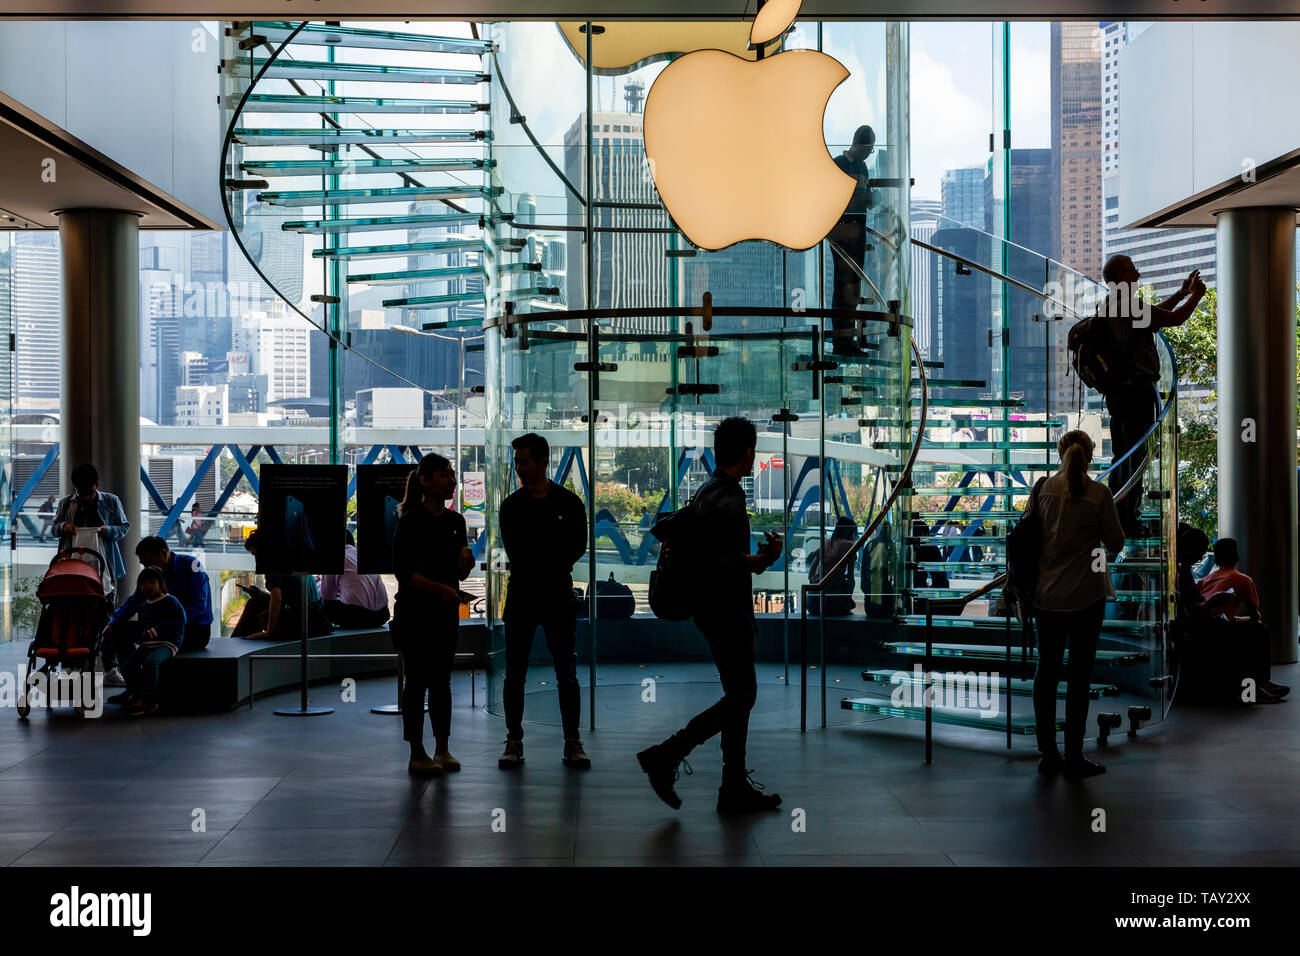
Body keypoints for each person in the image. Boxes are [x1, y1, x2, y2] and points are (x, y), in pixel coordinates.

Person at [637, 417, 784, 814]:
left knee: (738, 695)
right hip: (726, 613)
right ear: (748, 452)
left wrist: (749, 562)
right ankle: (668, 754)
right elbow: (724, 564)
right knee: (743, 695)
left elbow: (711, 558)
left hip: (710, 611)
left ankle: (732, 785)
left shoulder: (706, 491)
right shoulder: (730, 499)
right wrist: (763, 560)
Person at [1026, 430, 1125, 779]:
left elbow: (1027, 538)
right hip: (1087, 596)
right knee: (1079, 677)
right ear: (1090, 454)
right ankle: (1074, 755)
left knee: (1047, 673)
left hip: (1046, 596)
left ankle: (1047, 753)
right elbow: (1115, 542)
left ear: (1060, 453)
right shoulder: (1099, 493)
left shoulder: (1041, 490)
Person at [497, 432, 590, 769]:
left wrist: (545, 557)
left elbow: (574, 546)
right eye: (517, 461)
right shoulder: (516, 506)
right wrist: (553, 557)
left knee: (563, 672)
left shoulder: (566, 504)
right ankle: (517, 739)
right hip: (533, 595)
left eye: (523, 461)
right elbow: (564, 549)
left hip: (545, 595)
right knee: (517, 673)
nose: (518, 467)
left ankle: (570, 740)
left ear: (542, 461)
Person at [1097, 256, 1206, 535]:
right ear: (1122, 274)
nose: (1137, 270)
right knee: (1137, 458)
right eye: (1131, 267)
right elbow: (1174, 319)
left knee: (1123, 456)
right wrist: (1196, 297)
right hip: (1136, 393)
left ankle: (1118, 515)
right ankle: (1127, 521)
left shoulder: (1110, 303)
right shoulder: (1128, 304)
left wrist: (1181, 293)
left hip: (1118, 393)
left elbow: (1155, 316)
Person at [391, 453, 474, 775]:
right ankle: (417, 751)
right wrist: (441, 589)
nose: (451, 480)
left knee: (441, 682)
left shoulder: (456, 522)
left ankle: (442, 748)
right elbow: (404, 573)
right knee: (417, 683)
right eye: (444, 475)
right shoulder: (410, 521)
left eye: (452, 474)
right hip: (415, 614)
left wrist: (464, 565)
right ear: (425, 481)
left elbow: (459, 574)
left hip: (444, 614)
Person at [101, 537, 214, 686]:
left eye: (149, 562)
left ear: (163, 553)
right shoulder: (153, 574)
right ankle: (133, 686)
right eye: (144, 564)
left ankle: (140, 691)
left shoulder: (192, 565)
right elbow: (134, 601)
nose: (147, 567)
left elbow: (199, 605)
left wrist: (172, 624)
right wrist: (112, 623)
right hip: (159, 628)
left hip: (193, 631)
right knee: (119, 630)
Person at [1196, 537, 1288, 701]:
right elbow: (1255, 615)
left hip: (1203, 629)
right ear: (1237, 556)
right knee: (1258, 630)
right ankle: (1259, 685)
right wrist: (1249, 620)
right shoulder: (1243, 580)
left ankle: (1259, 684)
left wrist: (1236, 619)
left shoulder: (1204, 580)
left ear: (1216, 558)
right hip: (1219, 629)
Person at [106, 566, 187, 717]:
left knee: (151, 662)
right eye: (142, 583)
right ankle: (137, 694)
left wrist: (154, 631)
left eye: (152, 582)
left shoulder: (170, 601)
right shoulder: (145, 605)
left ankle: (149, 701)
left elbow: (179, 620)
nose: (147, 586)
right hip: (149, 644)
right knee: (127, 665)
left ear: (161, 584)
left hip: (167, 644)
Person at [829, 124, 876, 357]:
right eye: (869, 148)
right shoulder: (839, 164)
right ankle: (841, 341)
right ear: (860, 144)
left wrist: (867, 196)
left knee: (853, 286)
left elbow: (867, 201)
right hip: (842, 231)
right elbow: (837, 198)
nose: (869, 153)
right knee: (842, 286)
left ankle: (848, 340)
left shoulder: (862, 167)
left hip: (858, 231)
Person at [53, 463, 131, 601]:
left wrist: (109, 530)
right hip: (73, 563)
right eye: (80, 493)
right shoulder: (65, 503)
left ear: (97, 484)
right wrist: (63, 526)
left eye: (89, 493)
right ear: (75, 487)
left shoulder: (111, 501)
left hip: (106, 562)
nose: (85, 497)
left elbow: (124, 527)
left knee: (105, 600)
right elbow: (53, 530)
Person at [235, 530, 332, 640]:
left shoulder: (272, 564)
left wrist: (268, 631)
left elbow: (277, 600)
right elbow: (290, 597)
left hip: (304, 622)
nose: (256, 559)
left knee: (255, 606)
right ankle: (241, 640)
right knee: (258, 600)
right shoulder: (290, 557)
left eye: (255, 554)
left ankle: (239, 642)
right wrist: (262, 594)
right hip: (317, 618)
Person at [318, 529, 391, 630]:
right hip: (382, 615)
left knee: (324, 603)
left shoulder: (334, 557)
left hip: (356, 617)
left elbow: (326, 594)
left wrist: (318, 584)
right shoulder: (365, 555)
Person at [807, 515, 857, 617]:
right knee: (851, 606)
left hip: (811, 599)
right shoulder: (849, 545)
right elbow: (851, 579)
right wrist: (847, 600)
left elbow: (811, 573)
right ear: (850, 532)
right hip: (830, 599)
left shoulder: (826, 543)